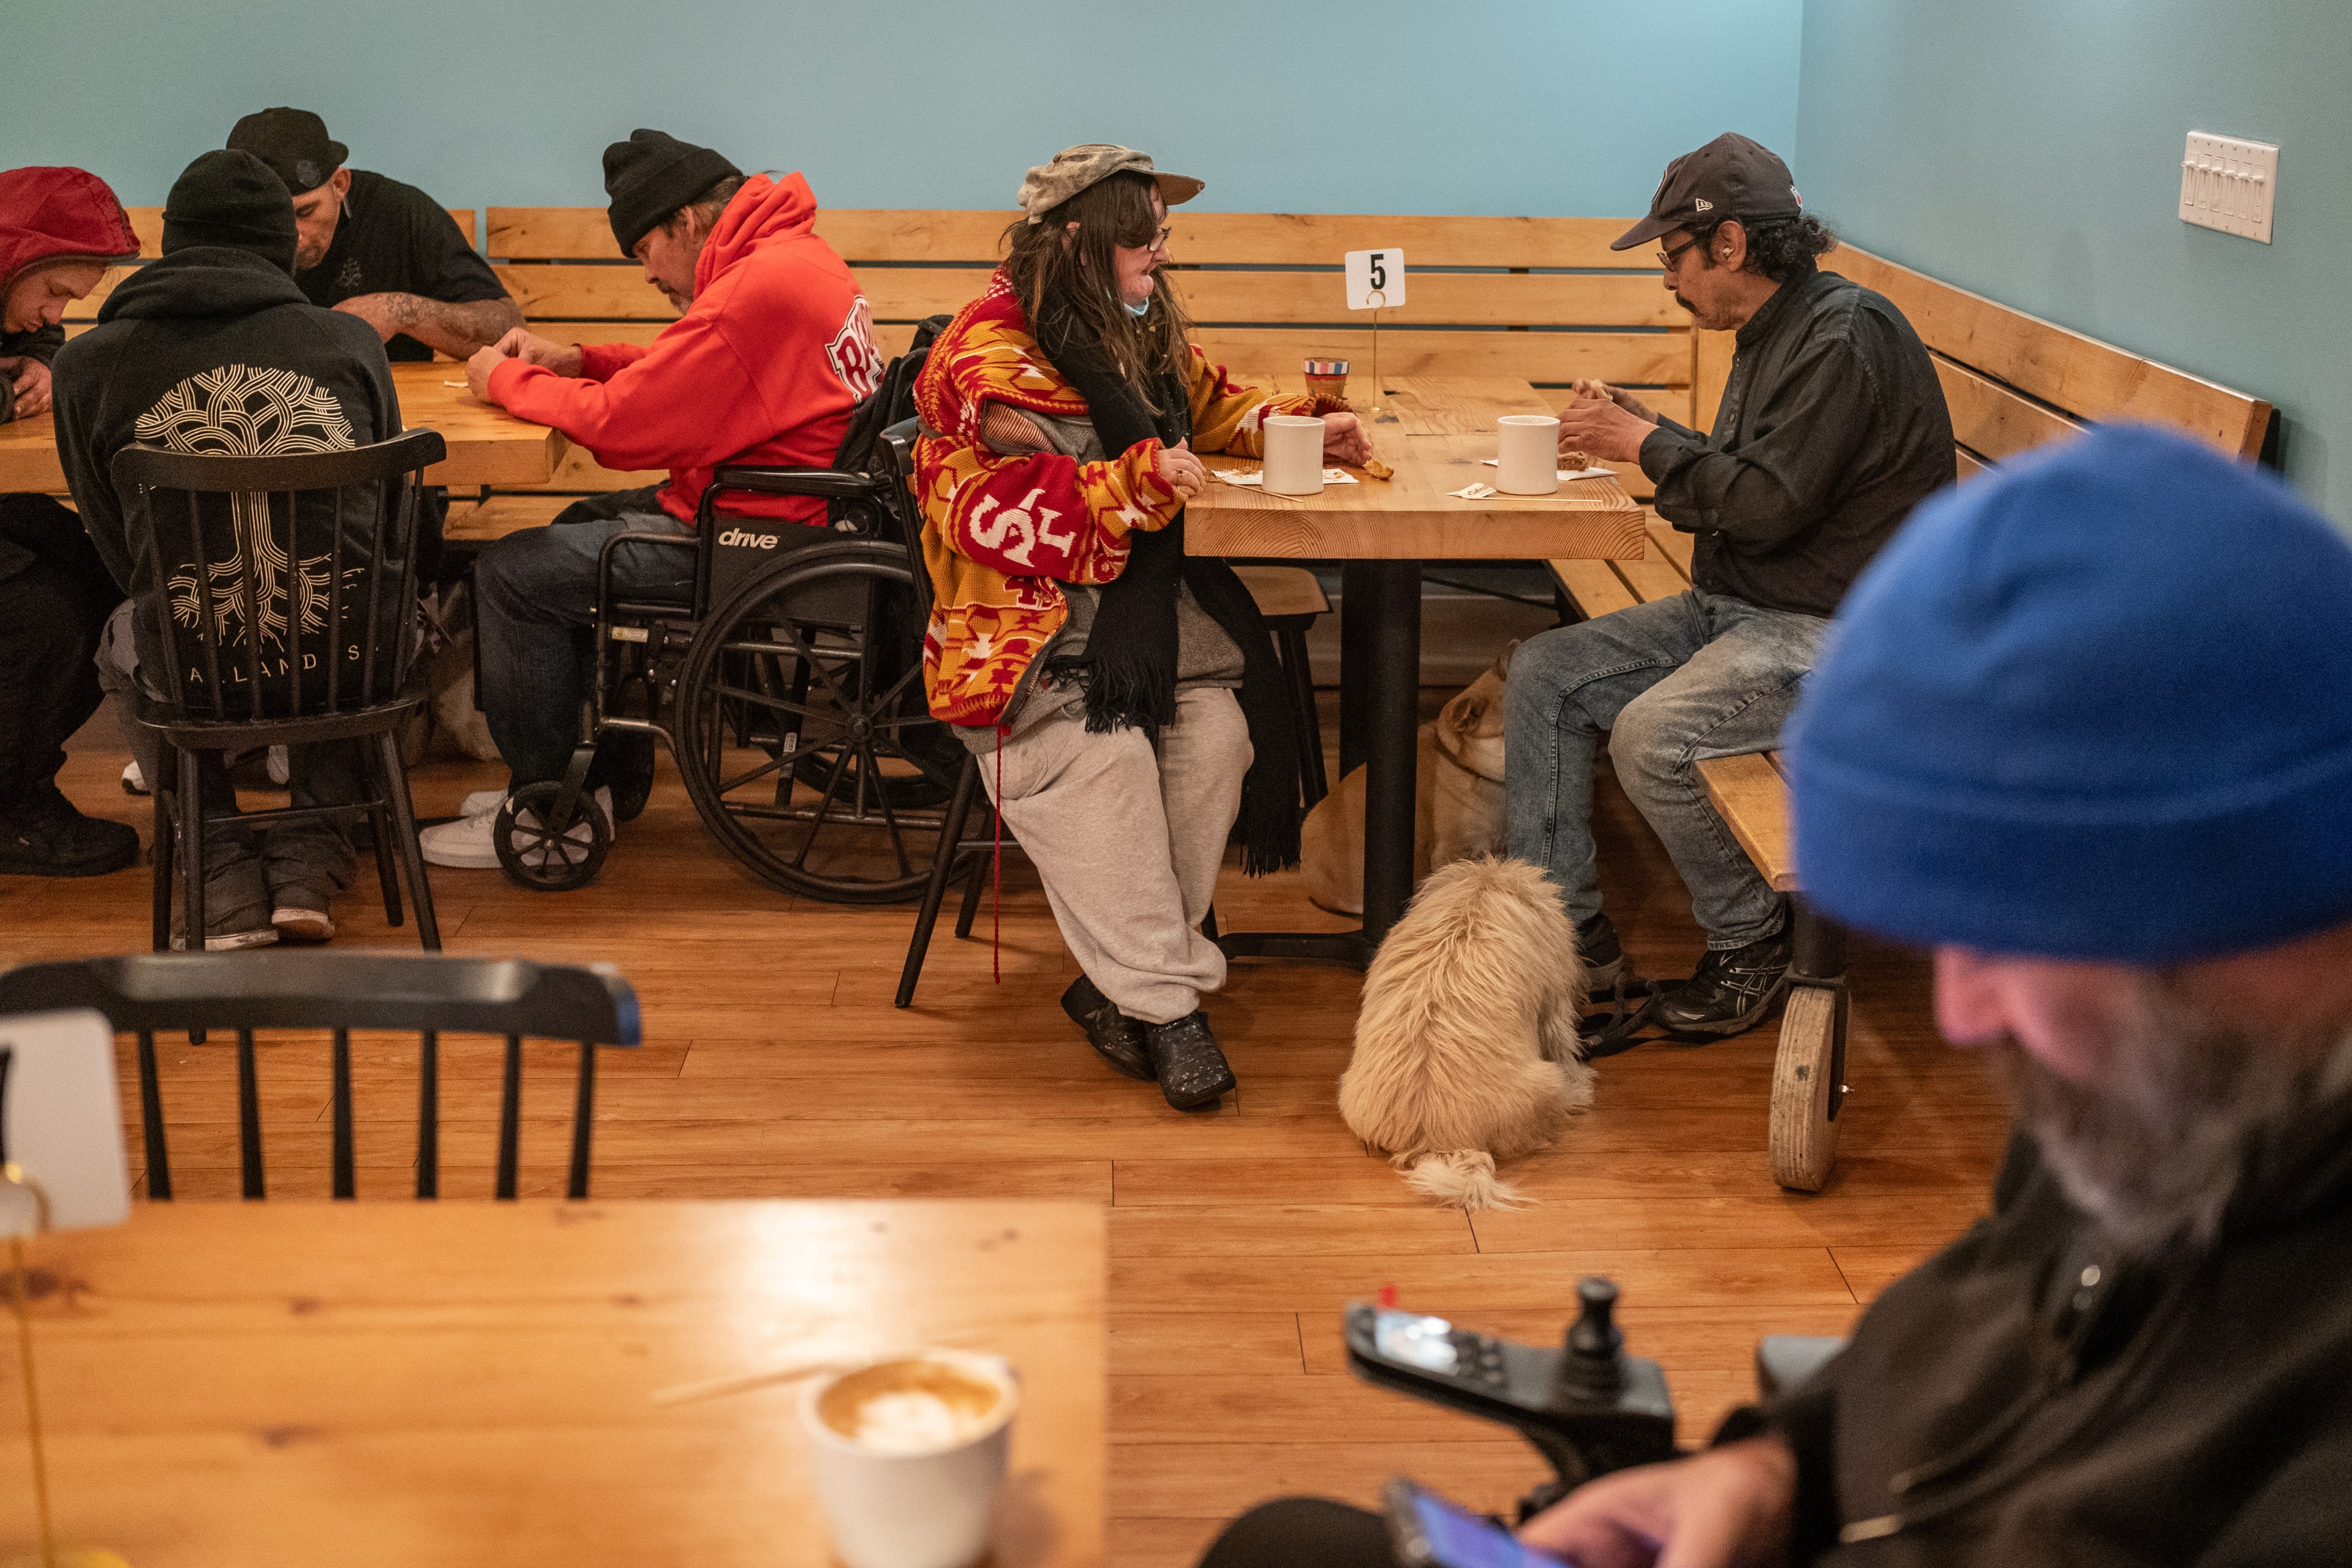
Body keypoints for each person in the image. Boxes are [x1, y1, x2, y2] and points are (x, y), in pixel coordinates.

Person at [1196, 424, 2352, 1566]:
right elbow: (1984, 1314)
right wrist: (1768, 1470)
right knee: (1278, 1543)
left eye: (2021, 937)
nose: (1960, 1013)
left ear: (2262, 886)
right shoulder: (2171, 1092)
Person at [914, 145, 1370, 1110]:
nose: (1162, 252)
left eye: (1163, 233)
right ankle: (1172, 1012)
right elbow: (980, 510)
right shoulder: (988, 360)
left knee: (1218, 740)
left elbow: (1211, 403)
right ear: (1079, 239)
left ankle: (1116, 985)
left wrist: (1289, 424)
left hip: (1145, 633)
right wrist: (1130, 485)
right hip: (1026, 649)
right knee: (1112, 764)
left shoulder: (1140, 328)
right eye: (1145, 235)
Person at [1504, 133, 1954, 1042]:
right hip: (1746, 606)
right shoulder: (1775, 328)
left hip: (1840, 634)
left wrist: (1643, 448)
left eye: (1673, 256)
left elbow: (1767, 504)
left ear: (1731, 245)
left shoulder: (1843, 337)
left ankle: (1752, 948)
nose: (1668, 279)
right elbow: (1756, 479)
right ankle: (1568, 937)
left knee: (1654, 736)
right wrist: (1652, 427)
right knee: (1544, 673)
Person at [418, 129, 885, 870]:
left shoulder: (758, 285)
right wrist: (580, 360)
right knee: (576, 526)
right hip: (784, 511)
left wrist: (503, 380)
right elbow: (693, 371)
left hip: (758, 541)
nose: (645, 274)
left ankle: (543, 802)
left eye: (642, 251)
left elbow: (627, 426)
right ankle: (598, 784)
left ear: (686, 223)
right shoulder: (795, 256)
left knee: (513, 573)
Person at [52, 150, 401, 948]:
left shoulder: (85, 365)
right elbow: (382, 523)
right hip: (349, 657)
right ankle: (313, 856)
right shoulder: (348, 344)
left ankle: (218, 864)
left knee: (134, 629)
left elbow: (116, 540)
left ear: (175, 244)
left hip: (191, 656)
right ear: (282, 248)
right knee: (358, 595)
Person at [0, 165, 143, 877]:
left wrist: (41, 362)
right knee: (43, 619)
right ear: (14, 258)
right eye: (54, 292)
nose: (57, 313)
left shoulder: (15, 306)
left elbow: (34, 345)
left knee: (106, 574)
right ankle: (14, 813)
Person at [227, 107, 519, 363]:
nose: (295, 237)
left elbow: (509, 330)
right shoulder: (217, 223)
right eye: (268, 219)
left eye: (306, 213)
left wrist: (402, 311)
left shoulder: (399, 211)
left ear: (340, 185)